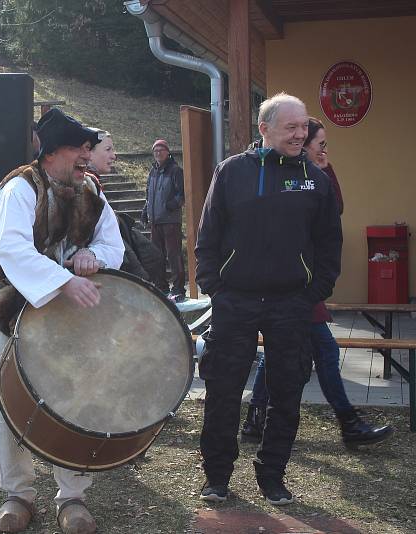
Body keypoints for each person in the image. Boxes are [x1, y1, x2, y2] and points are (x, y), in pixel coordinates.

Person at [195, 93, 342, 506]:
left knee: (287, 393)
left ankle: (272, 475)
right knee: (223, 390)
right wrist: (215, 288)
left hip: (291, 304)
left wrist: (313, 293)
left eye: (303, 127)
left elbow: (330, 243)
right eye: (291, 127)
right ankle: (218, 477)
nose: (301, 134)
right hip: (235, 301)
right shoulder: (231, 173)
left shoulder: (315, 179)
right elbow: (207, 236)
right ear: (264, 129)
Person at [0, 109, 124, 534]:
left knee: (76, 402)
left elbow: (111, 242)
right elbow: (13, 251)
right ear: (53, 151)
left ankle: (72, 496)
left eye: (89, 148)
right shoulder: (19, 188)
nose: (87, 155)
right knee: (7, 406)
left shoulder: (91, 189)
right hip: (8, 313)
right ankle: (17, 495)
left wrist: (92, 257)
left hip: (70, 317)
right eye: (80, 148)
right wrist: (63, 281)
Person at [241, 117, 392, 447]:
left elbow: (333, 209)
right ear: (301, 145)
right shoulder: (285, 178)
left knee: (287, 350)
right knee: (323, 350)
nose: (325, 151)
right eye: (320, 145)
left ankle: (254, 421)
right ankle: (348, 424)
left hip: (302, 283)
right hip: (288, 283)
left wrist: (325, 169)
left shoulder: (311, 176)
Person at [87, 130, 166, 288]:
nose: (114, 156)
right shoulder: (85, 186)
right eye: (108, 149)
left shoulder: (92, 183)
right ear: (88, 152)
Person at [140, 139, 186, 302]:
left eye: (161, 150)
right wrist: (145, 211)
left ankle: (179, 289)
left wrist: (170, 205)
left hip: (170, 221)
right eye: (155, 151)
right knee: (156, 256)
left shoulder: (175, 171)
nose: (158, 153)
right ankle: (161, 287)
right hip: (155, 221)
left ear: (168, 152)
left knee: (174, 255)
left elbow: (183, 194)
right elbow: (148, 194)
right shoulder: (153, 172)